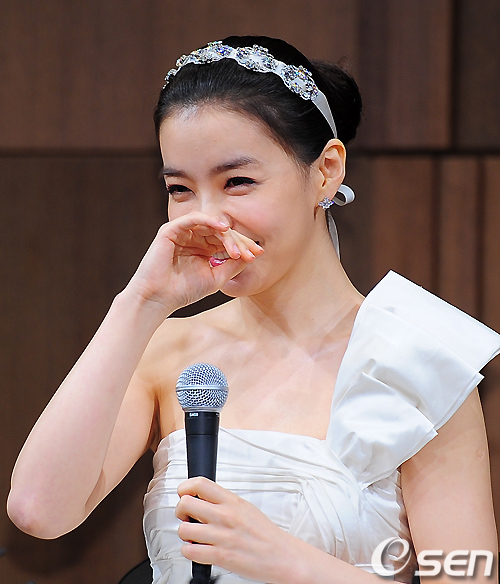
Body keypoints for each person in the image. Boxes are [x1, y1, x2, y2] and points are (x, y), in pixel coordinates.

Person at [7, 35, 500, 584]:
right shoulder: (166, 350)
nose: (209, 219)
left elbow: (469, 576)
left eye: (237, 182)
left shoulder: (417, 358)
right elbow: (38, 510)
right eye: (180, 189)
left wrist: (285, 561)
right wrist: (142, 302)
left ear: (326, 171)